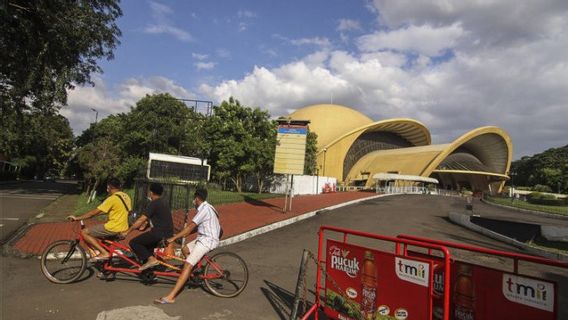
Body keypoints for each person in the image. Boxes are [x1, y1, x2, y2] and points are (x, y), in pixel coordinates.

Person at [154, 187, 221, 304]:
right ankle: (196, 271)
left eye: (194, 199)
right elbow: (195, 227)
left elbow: (190, 227)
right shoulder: (209, 207)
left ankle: (171, 296)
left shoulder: (204, 210)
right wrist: (181, 235)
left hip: (207, 240)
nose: (193, 201)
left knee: (187, 265)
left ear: (197, 198)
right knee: (185, 249)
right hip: (204, 237)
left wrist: (173, 239)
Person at [68, 178, 131, 261]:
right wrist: (94, 214)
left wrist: (77, 218)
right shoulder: (125, 196)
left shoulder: (112, 199)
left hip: (113, 227)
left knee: (84, 232)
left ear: (109, 187)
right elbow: (121, 210)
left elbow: (93, 213)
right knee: (105, 243)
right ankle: (104, 269)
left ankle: (103, 253)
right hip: (124, 227)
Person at [122, 182, 174, 271]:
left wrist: (128, 231)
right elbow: (159, 219)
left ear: (151, 192)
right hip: (168, 234)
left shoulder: (154, 203)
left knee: (134, 243)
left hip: (158, 234)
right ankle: (152, 269)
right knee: (147, 248)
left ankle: (151, 260)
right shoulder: (164, 203)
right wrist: (145, 226)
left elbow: (141, 219)